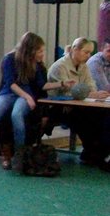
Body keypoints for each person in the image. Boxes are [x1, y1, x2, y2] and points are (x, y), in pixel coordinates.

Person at [0, 32, 61, 172]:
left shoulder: (36, 64)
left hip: (24, 94)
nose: (42, 54)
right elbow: (10, 83)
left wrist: (62, 84)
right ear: (30, 49)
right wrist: (28, 97)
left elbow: (42, 84)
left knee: (16, 115)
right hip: (9, 93)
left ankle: (19, 154)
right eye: (40, 51)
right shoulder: (9, 59)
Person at [47, 37, 110, 168]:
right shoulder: (60, 67)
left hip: (79, 105)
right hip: (59, 107)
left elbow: (91, 85)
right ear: (75, 49)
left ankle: (96, 153)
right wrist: (90, 94)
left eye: (90, 53)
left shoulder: (84, 67)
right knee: (87, 120)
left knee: (105, 116)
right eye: (86, 52)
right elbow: (67, 92)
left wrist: (92, 93)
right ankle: (95, 153)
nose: (88, 56)